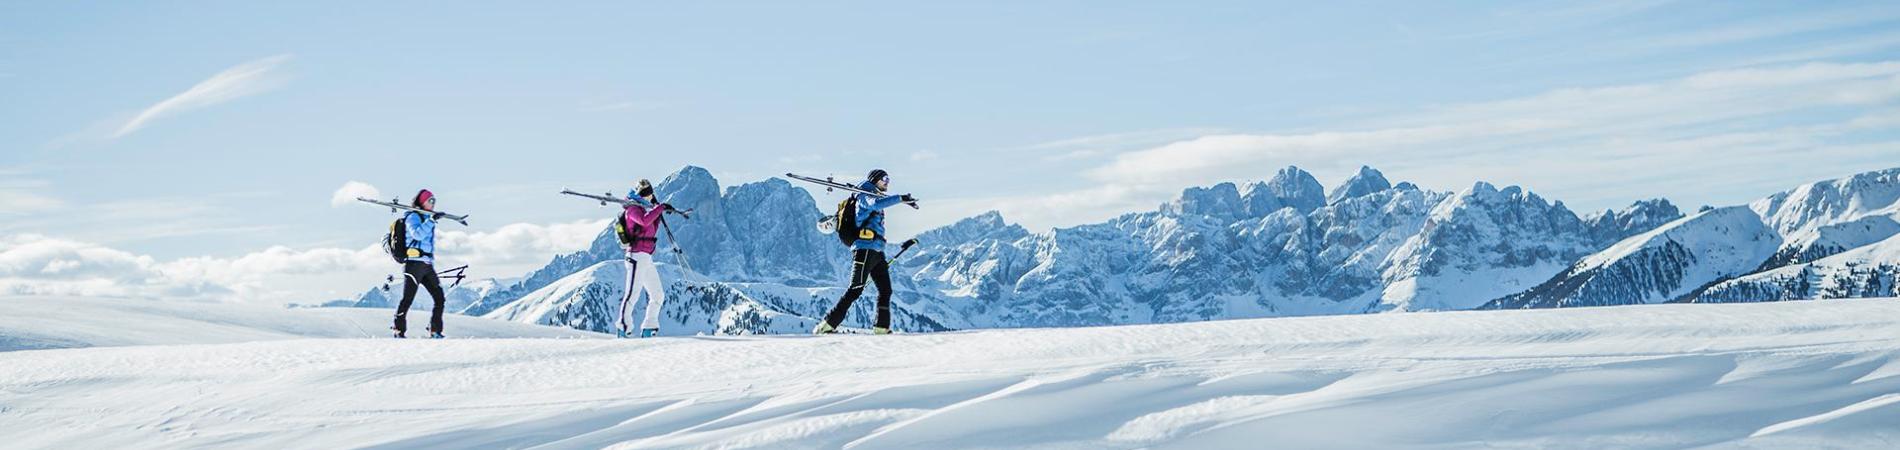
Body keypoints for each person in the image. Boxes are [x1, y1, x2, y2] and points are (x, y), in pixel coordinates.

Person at [814, 169, 915, 335]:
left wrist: (905, 201)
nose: (887, 182)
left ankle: (881, 328)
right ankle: (826, 325)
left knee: (885, 290)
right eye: (884, 179)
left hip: (876, 250)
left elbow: (879, 203)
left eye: (888, 179)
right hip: (865, 249)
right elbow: (874, 204)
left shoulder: (872, 193)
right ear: (875, 179)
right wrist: (900, 198)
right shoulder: (864, 193)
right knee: (855, 289)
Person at [617, 179, 678, 338]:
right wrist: (659, 208)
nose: (651, 196)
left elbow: (651, 228)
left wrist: (659, 212)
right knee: (632, 294)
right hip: (636, 256)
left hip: (646, 257)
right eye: (649, 194)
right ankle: (623, 327)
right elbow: (644, 221)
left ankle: (649, 327)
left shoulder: (645, 209)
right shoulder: (633, 209)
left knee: (658, 295)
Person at [394, 189, 448, 339]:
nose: (432, 204)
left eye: (434, 201)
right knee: (408, 298)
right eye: (430, 201)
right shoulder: (413, 217)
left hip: (427, 265)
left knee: (439, 298)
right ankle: (398, 329)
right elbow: (417, 234)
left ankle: (435, 330)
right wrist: (431, 221)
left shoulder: (426, 217)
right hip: (414, 264)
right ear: (422, 201)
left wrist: (431, 219)